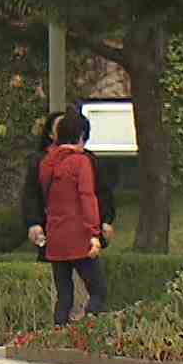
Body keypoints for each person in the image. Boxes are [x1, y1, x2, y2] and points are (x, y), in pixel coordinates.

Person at [38, 111, 106, 327]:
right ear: (81, 135)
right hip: (79, 236)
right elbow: (87, 196)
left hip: (55, 237)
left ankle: (57, 334)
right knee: (98, 291)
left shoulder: (47, 163)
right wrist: (94, 234)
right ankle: (87, 329)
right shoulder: (80, 162)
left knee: (64, 296)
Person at [23, 108, 115, 258]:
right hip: (56, 230)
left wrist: (105, 219)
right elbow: (32, 194)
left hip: (78, 230)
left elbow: (101, 191)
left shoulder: (88, 159)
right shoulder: (42, 161)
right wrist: (34, 222)